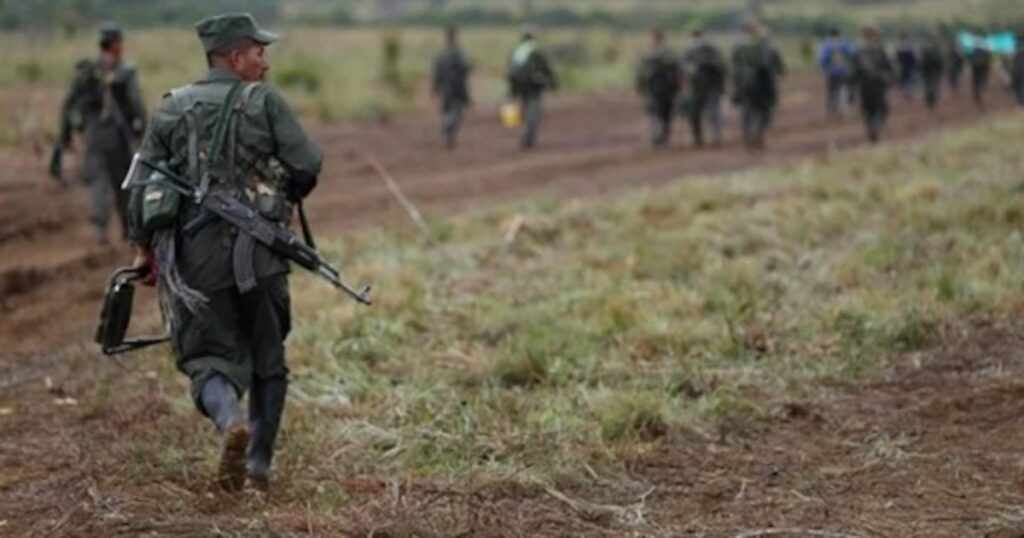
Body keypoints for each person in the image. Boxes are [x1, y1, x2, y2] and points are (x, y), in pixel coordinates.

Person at [126, 12, 323, 493]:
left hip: (197, 263)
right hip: (263, 257)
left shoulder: (173, 107)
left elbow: (142, 185)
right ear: (235, 57)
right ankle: (258, 463)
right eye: (258, 52)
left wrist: (144, 251)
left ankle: (229, 418)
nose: (265, 62)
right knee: (269, 358)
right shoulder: (265, 101)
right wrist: (279, 192)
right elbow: (308, 164)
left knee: (207, 357)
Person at [56, 23, 146, 244]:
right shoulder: (125, 71)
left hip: (93, 134)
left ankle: (100, 230)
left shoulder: (88, 71)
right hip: (118, 136)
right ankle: (128, 228)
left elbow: (69, 105)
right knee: (124, 181)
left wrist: (66, 136)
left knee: (98, 181)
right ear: (116, 44)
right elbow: (137, 104)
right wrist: (143, 131)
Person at [731, 19, 785, 151]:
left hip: (744, 84)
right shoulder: (765, 45)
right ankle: (758, 133)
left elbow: (734, 68)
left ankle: (747, 138)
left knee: (747, 113)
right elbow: (774, 66)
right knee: (766, 111)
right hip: (763, 84)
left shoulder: (737, 46)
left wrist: (736, 85)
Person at [507, 26, 558, 149]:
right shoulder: (535, 52)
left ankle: (526, 132)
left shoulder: (516, 52)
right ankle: (528, 135)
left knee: (525, 109)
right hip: (534, 87)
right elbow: (547, 69)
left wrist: (512, 90)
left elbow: (511, 72)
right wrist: (553, 84)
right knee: (533, 112)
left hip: (520, 87)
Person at [635, 28, 680, 147]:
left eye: (655, 38)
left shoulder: (668, 52)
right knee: (652, 111)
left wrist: (677, 85)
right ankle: (655, 135)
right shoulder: (645, 53)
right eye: (652, 38)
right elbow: (640, 71)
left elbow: (675, 69)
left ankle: (664, 135)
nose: (653, 40)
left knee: (666, 112)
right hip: (651, 86)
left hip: (666, 86)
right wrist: (640, 85)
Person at [681, 29, 726, 146]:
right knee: (694, 113)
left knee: (712, 112)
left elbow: (720, 67)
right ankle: (698, 137)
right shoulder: (687, 52)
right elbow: (683, 70)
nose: (694, 40)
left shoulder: (710, 50)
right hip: (696, 86)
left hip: (710, 85)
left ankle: (715, 136)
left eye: (696, 37)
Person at [431, 25, 472, 150]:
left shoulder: (441, 54)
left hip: (445, 87)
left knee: (446, 110)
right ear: (455, 37)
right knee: (456, 113)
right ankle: (447, 128)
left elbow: (437, 73)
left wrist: (435, 87)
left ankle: (447, 130)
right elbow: (465, 69)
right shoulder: (459, 53)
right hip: (457, 87)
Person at [852, 26, 894, 143]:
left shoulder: (858, 50)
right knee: (881, 108)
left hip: (864, 84)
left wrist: (853, 85)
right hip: (878, 83)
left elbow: (854, 70)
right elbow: (889, 65)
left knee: (867, 108)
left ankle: (870, 127)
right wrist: (891, 78)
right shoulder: (880, 49)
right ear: (874, 36)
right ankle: (876, 127)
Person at [817, 28, 856, 118]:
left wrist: (824, 69)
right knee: (847, 88)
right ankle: (844, 107)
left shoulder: (826, 45)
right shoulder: (845, 43)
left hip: (832, 72)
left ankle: (834, 107)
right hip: (845, 71)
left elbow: (822, 59)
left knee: (832, 90)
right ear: (840, 34)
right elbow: (852, 55)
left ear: (829, 35)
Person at [920, 31, 946, 111]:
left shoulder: (927, 46)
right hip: (932, 70)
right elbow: (941, 60)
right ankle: (932, 101)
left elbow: (922, 60)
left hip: (930, 70)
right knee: (933, 86)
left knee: (930, 86)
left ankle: (930, 101)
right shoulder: (937, 47)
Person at [895, 32, 919, 100]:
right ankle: (908, 92)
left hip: (902, 66)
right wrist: (915, 65)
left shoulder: (899, 46)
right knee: (909, 80)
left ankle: (905, 92)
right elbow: (913, 57)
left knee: (904, 80)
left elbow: (897, 58)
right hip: (909, 66)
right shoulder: (910, 45)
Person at [969, 40, 992, 105]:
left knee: (976, 81)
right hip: (983, 67)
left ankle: (977, 94)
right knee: (982, 80)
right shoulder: (986, 51)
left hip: (976, 67)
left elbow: (971, 59)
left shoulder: (974, 51)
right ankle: (981, 90)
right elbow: (988, 59)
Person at [1013, 34, 1024, 105]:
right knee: (1021, 84)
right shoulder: (1016, 47)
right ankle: (1020, 98)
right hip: (1019, 68)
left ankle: (1020, 98)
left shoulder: (1016, 47)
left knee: (1019, 84)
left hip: (1018, 69)